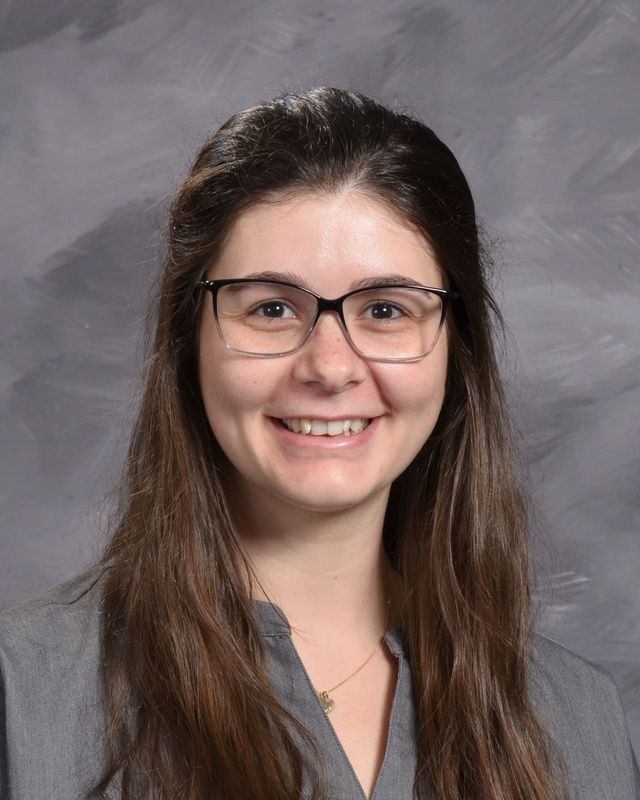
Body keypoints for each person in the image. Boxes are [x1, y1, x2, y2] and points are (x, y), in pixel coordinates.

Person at [0, 87, 637, 800]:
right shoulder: (22, 694)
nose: (331, 368)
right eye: (272, 308)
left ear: (458, 351)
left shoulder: (578, 719)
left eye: (386, 309)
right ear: (190, 341)